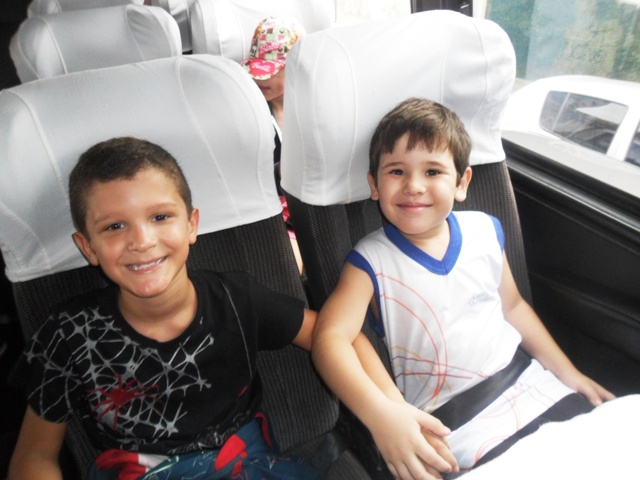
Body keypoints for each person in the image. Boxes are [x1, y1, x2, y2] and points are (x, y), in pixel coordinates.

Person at [311, 98, 615, 480]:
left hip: (533, 386)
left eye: (433, 171)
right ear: (374, 184)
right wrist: (381, 415)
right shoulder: (369, 261)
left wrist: (569, 374)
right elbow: (330, 337)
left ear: (461, 183)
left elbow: (514, 308)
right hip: (456, 427)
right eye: (396, 171)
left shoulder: (484, 230)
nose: (414, 186)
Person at [8, 137, 320, 480]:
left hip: (246, 466)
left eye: (160, 216)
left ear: (191, 225)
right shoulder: (70, 333)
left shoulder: (236, 298)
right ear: (89, 247)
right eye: (114, 226)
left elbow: (328, 336)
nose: (142, 241)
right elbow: (34, 455)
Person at [241, 16, 305, 273]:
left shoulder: (311, 108)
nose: (260, 79)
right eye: (256, 70)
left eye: (273, 71)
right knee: (289, 266)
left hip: (307, 201)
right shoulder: (250, 110)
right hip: (275, 209)